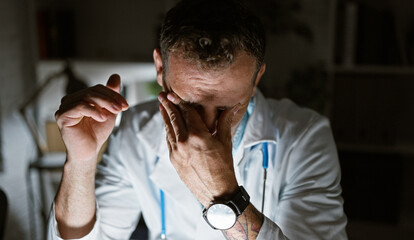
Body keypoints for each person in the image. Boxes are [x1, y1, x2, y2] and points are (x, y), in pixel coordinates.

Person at [47, 0, 347, 239]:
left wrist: (223, 194)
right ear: (159, 67)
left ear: (257, 79)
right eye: (187, 104)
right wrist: (81, 162)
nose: (206, 127)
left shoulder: (306, 135)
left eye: (227, 107)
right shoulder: (134, 133)